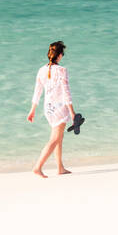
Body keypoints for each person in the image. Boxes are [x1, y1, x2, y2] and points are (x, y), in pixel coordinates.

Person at [27, 41, 75, 177]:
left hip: (48, 108)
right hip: (60, 108)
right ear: (59, 55)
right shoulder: (61, 70)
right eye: (62, 54)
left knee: (58, 137)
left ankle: (60, 167)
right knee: (55, 139)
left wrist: (32, 110)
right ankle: (38, 166)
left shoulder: (41, 70)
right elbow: (66, 92)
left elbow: (37, 92)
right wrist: (72, 111)